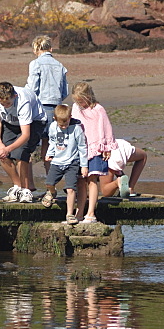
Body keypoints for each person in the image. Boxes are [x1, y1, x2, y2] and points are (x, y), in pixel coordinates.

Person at [0, 81, 47, 202]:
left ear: (14, 96)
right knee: (1, 154)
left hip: (35, 121)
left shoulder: (23, 100)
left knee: (21, 152)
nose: (5, 105)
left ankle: (26, 190)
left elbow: (25, 135)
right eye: (2, 103)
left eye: (8, 103)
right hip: (9, 121)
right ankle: (17, 187)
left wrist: (8, 148)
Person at [71, 82, 116, 223]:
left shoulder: (98, 109)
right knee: (80, 181)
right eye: (77, 101)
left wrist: (107, 147)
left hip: (96, 148)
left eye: (81, 100)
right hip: (80, 149)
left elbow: (107, 127)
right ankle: (79, 212)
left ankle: (90, 213)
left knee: (92, 179)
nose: (80, 103)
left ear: (88, 96)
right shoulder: (75, 108)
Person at [25, 35, 69, 179]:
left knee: (29, 146)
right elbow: (64, 92)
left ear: (35, 49)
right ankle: (52, 183)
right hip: (57, 109)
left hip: (40, 108)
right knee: (50, 146)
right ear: (50, 48)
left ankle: (28, 185)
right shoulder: (60, 65)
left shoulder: (35, 64)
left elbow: (32, 88)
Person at [42, 104, 87, 224]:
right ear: (55, 119)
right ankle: (52, 192)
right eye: (61, 125)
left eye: (66, 124)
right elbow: (52, 141)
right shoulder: (52, 127)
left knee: (71, 188)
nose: (63, 126)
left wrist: (84, 165)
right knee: (49, 183)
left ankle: (69, 214)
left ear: (70, 118)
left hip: (72, 162)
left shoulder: (76, 129)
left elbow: (82, 147)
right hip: (57, 161)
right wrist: (49, 153)